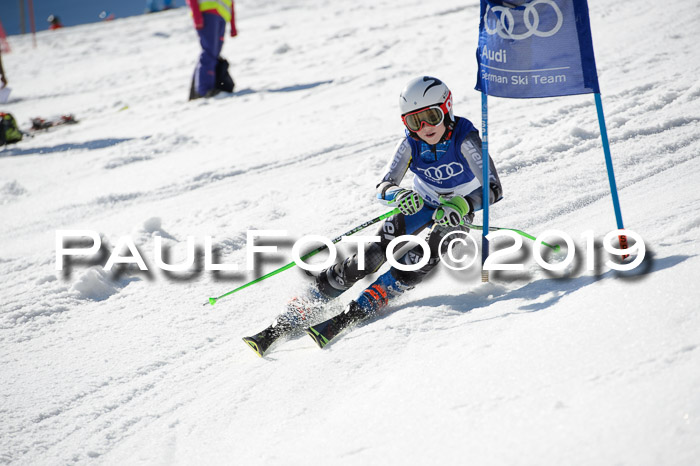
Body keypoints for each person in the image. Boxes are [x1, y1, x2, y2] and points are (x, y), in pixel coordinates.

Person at [243, 76, 504, 357]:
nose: (425, 127)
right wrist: (397, 195)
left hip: (456, 211)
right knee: (372, 256)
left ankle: (357, 309)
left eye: (431, 116)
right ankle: (302, 309)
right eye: (415, 122)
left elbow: (494, 189)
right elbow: (383, 186)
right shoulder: (409, 145)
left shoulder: (465, 139)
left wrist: (463, 206)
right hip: (422, 202)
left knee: (421, 259)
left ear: (447, 109)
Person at [186, 0, 237, 99]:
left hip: (222, 16)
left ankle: (203, 89)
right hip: (207, 14)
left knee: (214, 54)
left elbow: (230, 2)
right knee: (209, 52)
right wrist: (197, 17)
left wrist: (233, 26)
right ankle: (203, 91)